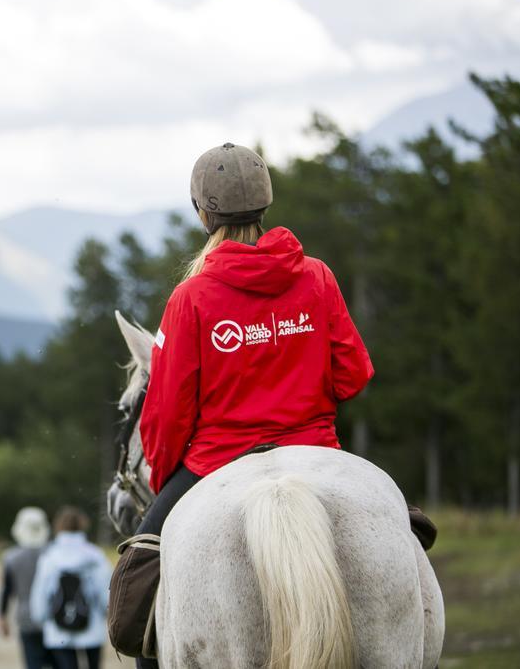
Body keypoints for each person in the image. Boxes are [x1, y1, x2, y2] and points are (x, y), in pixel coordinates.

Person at [110, 142, 375, 668]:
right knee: (398, 526)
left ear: (203, 213)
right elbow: (354, 375)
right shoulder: (317, 276)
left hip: (215, 462)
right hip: (316, 446)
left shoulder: (190, 299)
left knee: (140, 593)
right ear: (266, 203)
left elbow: (163, 415)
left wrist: (166, 479)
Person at [30, 507, 111, 669]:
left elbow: (40, 593)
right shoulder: (95, 555)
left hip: (58, 628)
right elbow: (106, 590)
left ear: (58, 527)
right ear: (82, 525)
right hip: (91, 625)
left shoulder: (50, 556)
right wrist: (106, 612)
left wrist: (40, 617)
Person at [0, 507, 53, 669]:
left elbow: (7, 590)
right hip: (51, 617)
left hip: (25, 617)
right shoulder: (53, 553)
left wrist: (2, 616)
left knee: (33, 664)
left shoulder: (10, 557)